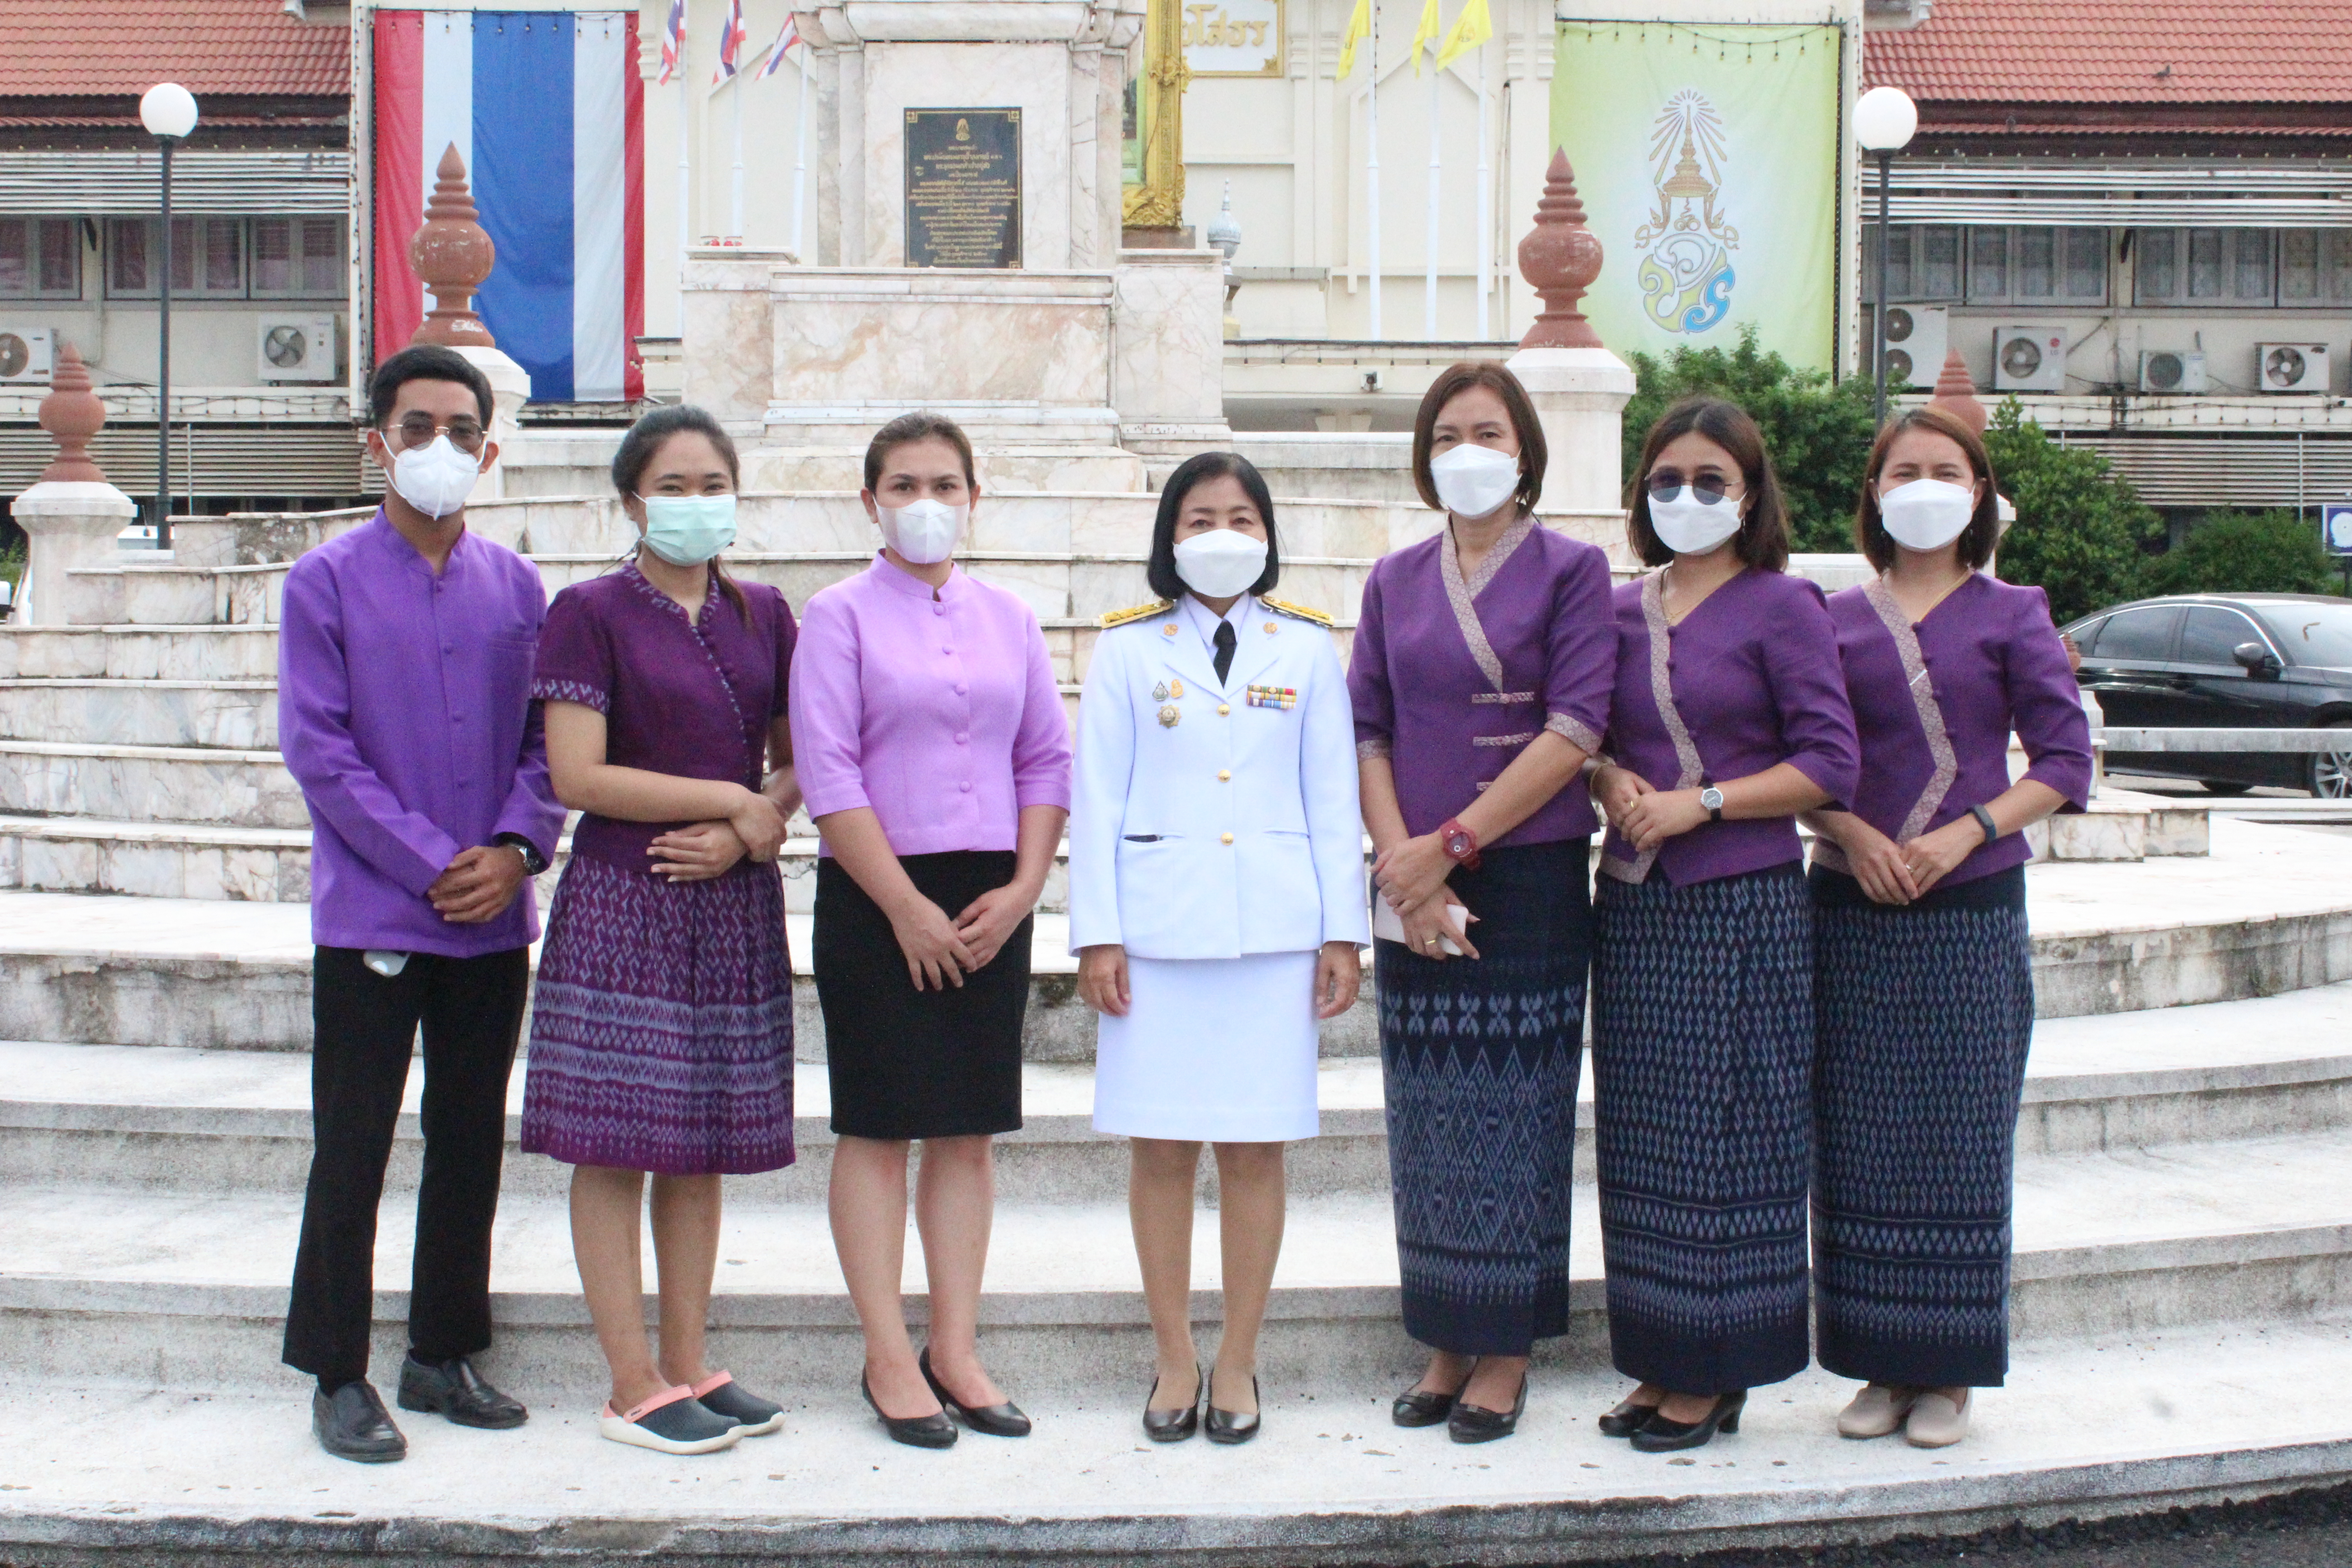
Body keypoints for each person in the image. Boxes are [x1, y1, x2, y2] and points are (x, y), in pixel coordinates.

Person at [278, 343, 564, 1463]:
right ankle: (336, 1372)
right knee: (350, 1145)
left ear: (489, 453)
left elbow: (549, 743)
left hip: (491, 914)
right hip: (374, 917)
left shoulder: (518, 588)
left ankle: (441, 1353)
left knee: (466, 1140)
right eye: (414, 426)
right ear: (376, 442)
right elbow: (320, 748)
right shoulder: (325, 582)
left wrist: (514, 846)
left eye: (458, 428)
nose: (436, 447)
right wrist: (431, 860)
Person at [1803, 406, 2092, 1449]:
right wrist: (1851, 833)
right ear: (1875, 493)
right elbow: (1799, 758)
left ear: (1977, 494)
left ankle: (1950, 1374)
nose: (1923, 484)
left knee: (1960, 1138)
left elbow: (2064, 765)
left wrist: (1964, 834)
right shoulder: (1828, 617)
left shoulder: (2014, 611)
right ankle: (1880, 1363)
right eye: (1902, 469)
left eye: (1945, 469)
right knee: (1859, 1137)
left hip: (1968, 904)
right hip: (1848, 898)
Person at [1071, 452, 1368, 1446]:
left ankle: (1237, 1357)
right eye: (1200, 516)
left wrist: (1342, 932)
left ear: (1269, 531)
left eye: (1241, 514)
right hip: (1158, 935)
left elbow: (1334, 798)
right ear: (1170, 535)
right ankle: (1171, 1357)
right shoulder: (1126, 648)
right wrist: (1098, 935)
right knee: (1161, 1151)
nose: (1222, 532)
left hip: (1275, 934)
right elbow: (1098, 797)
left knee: (1253, 1150)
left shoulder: (1309, 647)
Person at [790, 412, 1072, 1449]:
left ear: (973, 498)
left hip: (991, 897)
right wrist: (903, 906)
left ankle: (955, 1346)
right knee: (878, 1127)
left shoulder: (1011, 617)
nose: (926, 504)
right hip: (877, 896)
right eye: (903, 485)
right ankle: (885, 1352)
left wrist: (1027, 888)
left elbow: (1045, 759)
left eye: (945, 485)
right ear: (871, 502)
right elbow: (828, 770)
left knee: (967, 1131)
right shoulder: (837, 615)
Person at [523, 405, 800, 1455]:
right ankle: (630, 1380)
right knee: (615, 1144)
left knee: (704, 1147)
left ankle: (689, 1361)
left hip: (729, 900)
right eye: (673, 487)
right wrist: (727, 801)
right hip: (624, 899)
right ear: (632, 500)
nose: (695, 504)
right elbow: (577, 774)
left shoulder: (767, 612)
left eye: (711, 484)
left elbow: (803, 752)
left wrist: (752, 823)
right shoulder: (587, 611)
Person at [1347, 363, 1615, 1444]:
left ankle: (1504, 1348)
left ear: (1525, 449)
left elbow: (1578, 725)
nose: (1469, 449)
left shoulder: (1572, 569)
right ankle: (1447, 1335)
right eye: (1450, 432)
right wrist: (1403, 861)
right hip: (1413, 877)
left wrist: (1456, 843)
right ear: (1426, 454)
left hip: (1526, 872)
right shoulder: (1395, 578)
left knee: (1520, 1109)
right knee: (1431, 1116)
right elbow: (1366, 726)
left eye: (1489, 431)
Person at [1587, 396, 1859, 1454]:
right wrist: (1613, 780)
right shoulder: (1616, 609)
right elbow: (1588, 736)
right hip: (1638, 902)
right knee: (1645, 1138)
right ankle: (1660, 1358)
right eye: (1667, 481)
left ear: (1749, 496)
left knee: (1731, 1138)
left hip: (1741, 900)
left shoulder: (1784, 607)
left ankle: (1719, 1369)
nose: (1686, 498)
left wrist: (1701, 803)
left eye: (1710, 481)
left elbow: (1830, 764)